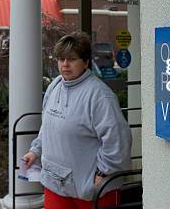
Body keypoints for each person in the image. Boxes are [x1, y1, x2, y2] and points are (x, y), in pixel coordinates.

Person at [23, 32, 132, 209]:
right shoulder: (55, 85)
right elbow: (48, 125)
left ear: (86, 62)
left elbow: (118, 139)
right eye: (61, 59)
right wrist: (35, 150)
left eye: (72, 59)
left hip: (89, 190)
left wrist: (104, 171)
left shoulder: (100, 96)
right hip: (55, 184)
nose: (65, 64)